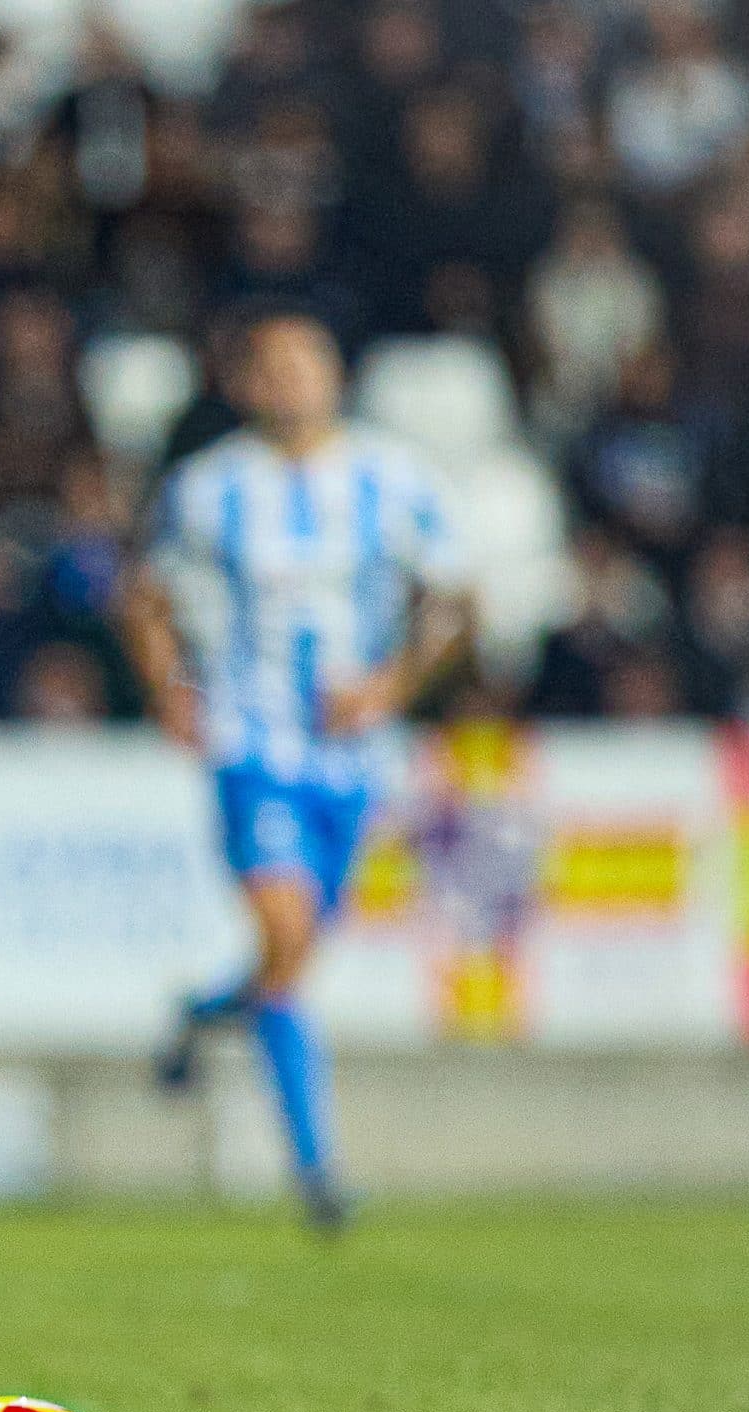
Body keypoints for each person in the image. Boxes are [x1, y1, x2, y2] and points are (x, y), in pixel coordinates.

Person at [118, 310, 471, 1231]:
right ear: (246, 385)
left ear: (334, 375)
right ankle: (319, 1171)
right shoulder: (208, 487)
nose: (289, 383)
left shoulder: (393, 480)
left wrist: (390, 686)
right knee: (284, 931)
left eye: (303, 365)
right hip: (252, 744)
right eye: (270, 368)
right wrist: (172, 690)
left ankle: (205, 1012)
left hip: (353, 757)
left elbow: (455, 602)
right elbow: (146, 596)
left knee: (292, 953)